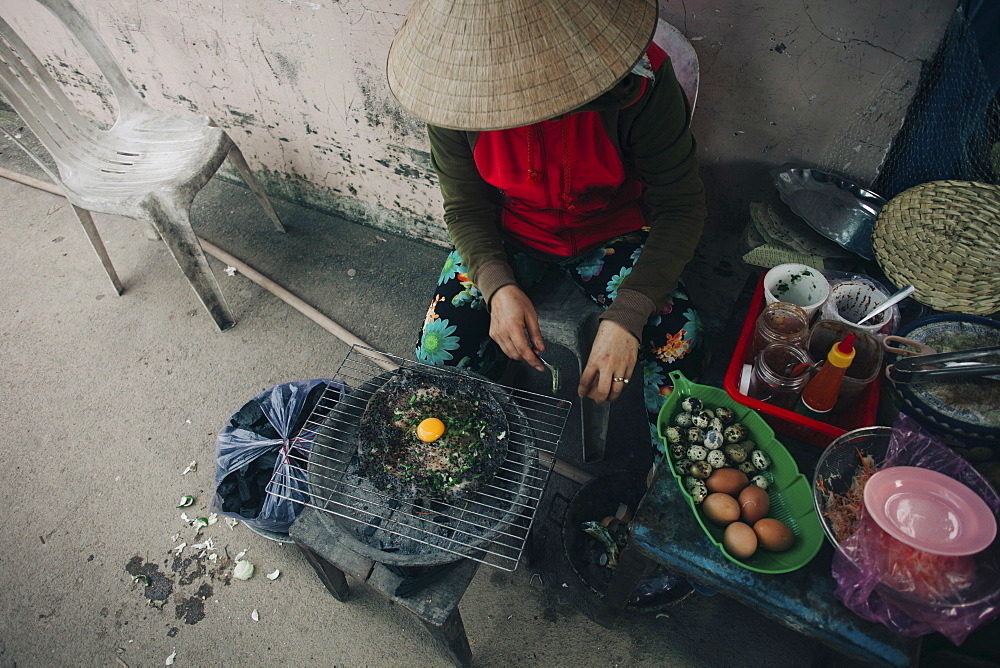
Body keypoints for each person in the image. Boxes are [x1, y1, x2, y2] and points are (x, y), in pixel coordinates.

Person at [387, 0, 707, 457]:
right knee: (440, 349)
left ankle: (666, 481)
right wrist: (498, 286)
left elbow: (680, 206)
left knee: (682, 339)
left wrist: (628, 316)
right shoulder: (452, 100)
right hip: (511, 232)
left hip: (612, 232)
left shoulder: (641, 83)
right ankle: (482, 435)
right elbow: (465, 207)